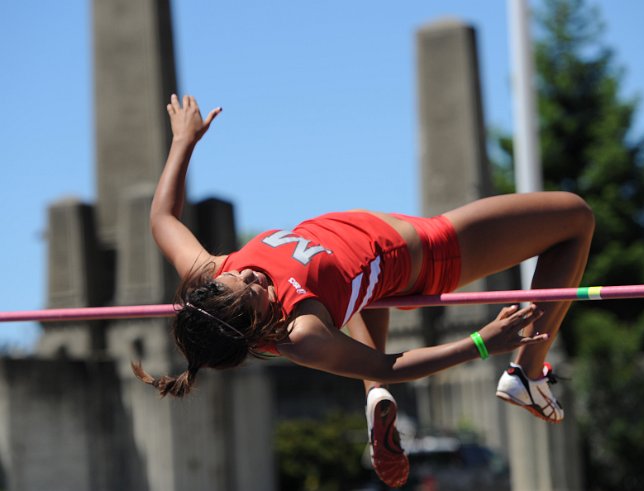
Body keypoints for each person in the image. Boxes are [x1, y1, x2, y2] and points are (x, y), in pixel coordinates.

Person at [133, 94, 594, 488]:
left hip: (369, 283)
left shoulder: (216, 270)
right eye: (253, 294)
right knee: (575, 218)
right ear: (253, 325)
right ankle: (528, 375)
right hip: (433, 252)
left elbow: (162, 219)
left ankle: (373, 399)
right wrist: (480, 343)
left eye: (236, 281)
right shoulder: (302, 332)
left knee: (357, 292)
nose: (251, 276)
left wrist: (182, 143)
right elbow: (389, 364)